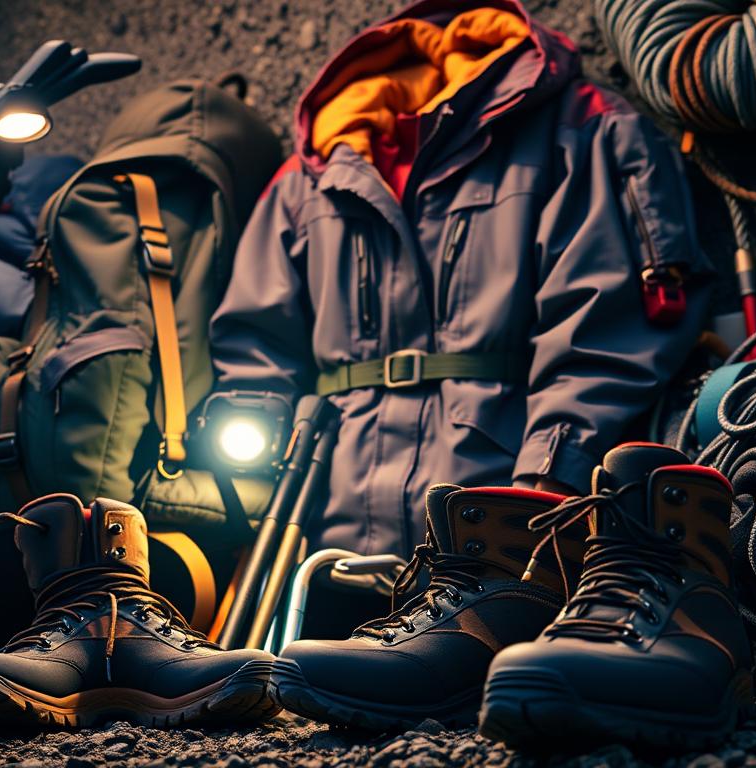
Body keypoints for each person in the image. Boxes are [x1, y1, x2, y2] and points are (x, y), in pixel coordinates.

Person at [209, 0, 712, 563]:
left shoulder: (579, 129)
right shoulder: (311, 177)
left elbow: (604, 333)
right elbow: (256, 344)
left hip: (506, 538)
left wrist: (547, 484)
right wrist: (246, 501)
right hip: (319, 544)